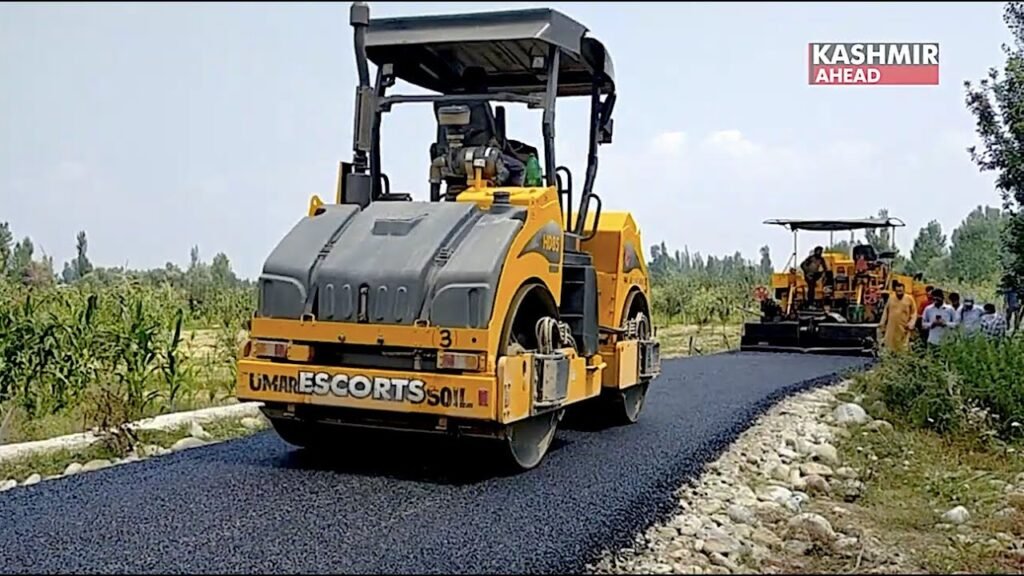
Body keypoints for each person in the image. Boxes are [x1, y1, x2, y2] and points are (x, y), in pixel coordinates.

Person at [878, 280, 917, 352]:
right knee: (890, 346)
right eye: (898, 291)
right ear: (895, 291)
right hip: (891, 328)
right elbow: (886, 311)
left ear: (904, 290)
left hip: (904, 327)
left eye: (901, 291)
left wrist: (912, 323)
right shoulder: (891, 298)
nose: (899, 293)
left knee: (902, 346)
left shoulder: (909, 299)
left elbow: (914, 313)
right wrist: (882, 323)